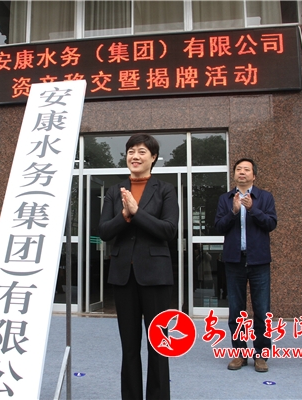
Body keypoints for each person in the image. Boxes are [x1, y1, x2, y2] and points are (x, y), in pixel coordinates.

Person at [98, 133, 178, 400]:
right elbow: (104, 231)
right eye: (131, 151)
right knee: (129, 347)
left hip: (156, 277)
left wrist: (137, 212)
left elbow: (169, 230)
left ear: (153, 157)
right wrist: (124, 215)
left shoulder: (165, 189)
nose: (135, 156)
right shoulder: (115, 191)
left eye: (142, 151)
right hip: (123, 277)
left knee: (159, 345)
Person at [214, 158, 277, 373]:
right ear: (234, 175)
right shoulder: (225, 199)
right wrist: (233, 212)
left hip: (259, 261)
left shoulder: (265, 197)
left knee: (262, 311)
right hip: (234, 261)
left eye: (246, 169)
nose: (242, 172)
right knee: (236, 311)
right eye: (238, 169)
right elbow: (219, 226)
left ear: (254, 175)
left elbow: (271, 223)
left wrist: (252, 209)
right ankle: (240, 353)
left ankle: (261, 355)